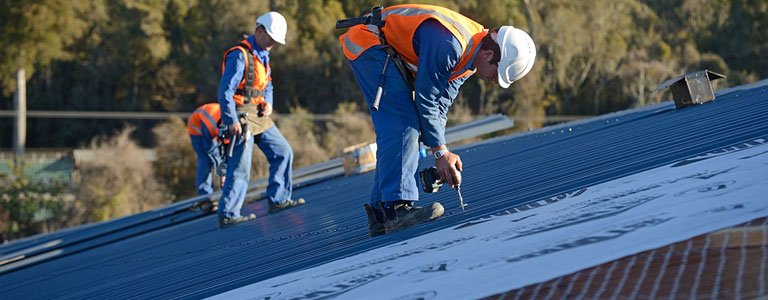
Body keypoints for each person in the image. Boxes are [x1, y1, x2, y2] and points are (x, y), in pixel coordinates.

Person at [338, 4, 536, 236]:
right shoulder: (450, 44)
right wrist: (440, 153)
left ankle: (381, 213)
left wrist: (441, 150)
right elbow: (426, 101)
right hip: (368, 42)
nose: (493, 80)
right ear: (489, 54)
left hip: (382, 47)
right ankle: (396, 209)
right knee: (402, 122)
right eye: (496, 73)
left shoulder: (469, 61)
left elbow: (439, 108)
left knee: (405, 125)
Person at [217, 11, 305, 228]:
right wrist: (231, 120)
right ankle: (228, 213)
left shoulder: (264, 55)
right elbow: (225, 92)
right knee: (240, 167)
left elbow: (268, 85)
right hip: (240, 116)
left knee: (283, 152)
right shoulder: (239, 55)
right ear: (259, 31)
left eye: (275, 41)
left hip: (258, 114)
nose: (273, 44)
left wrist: (269, 102)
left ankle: (279, 199)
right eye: (270, 39)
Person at [187, 102, 226, 196]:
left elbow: (226, 151)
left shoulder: (228, 122)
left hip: (212, 129)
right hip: (197, 131)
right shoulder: (210, 123)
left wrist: (224, 172)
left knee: (220, 158)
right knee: (205, 159)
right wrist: (222, 173)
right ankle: (204, 194)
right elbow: (211, 149)